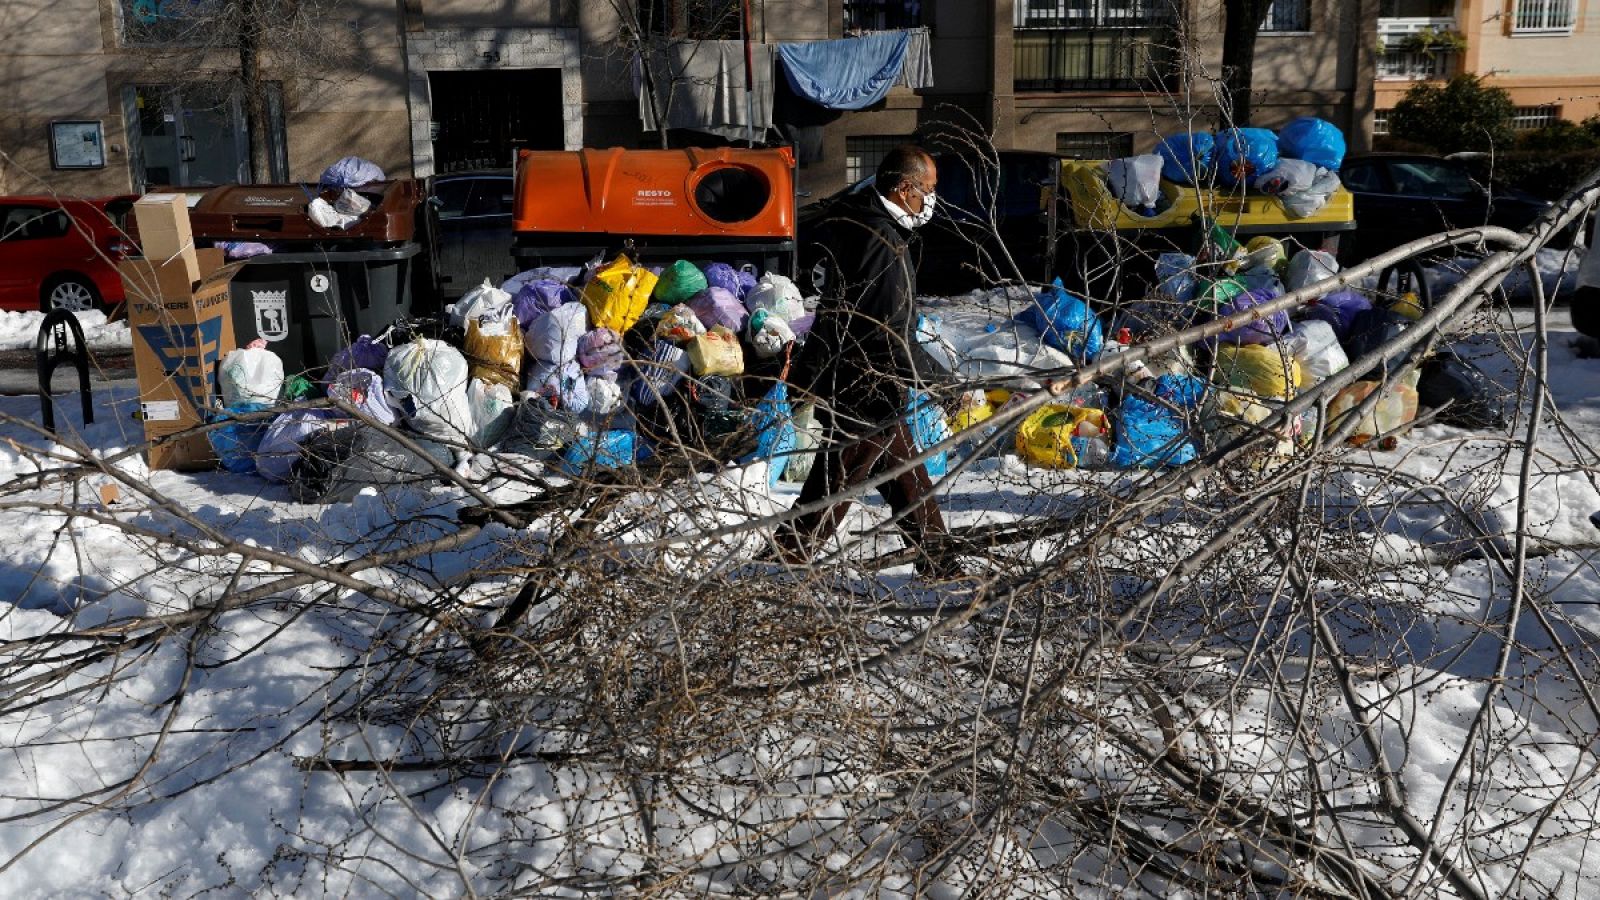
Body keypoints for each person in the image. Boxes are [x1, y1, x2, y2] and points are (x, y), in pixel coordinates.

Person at [777, 145, 956, 575]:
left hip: (857, 377)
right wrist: (943, 382)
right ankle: (782, 562)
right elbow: (889, 336)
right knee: (835, 485)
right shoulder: (883, 244)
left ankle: (940, 561)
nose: (930, 199)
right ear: (903, 188)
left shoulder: (860, 224)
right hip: (865, 385)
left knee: (905, 473)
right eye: (927, 190)